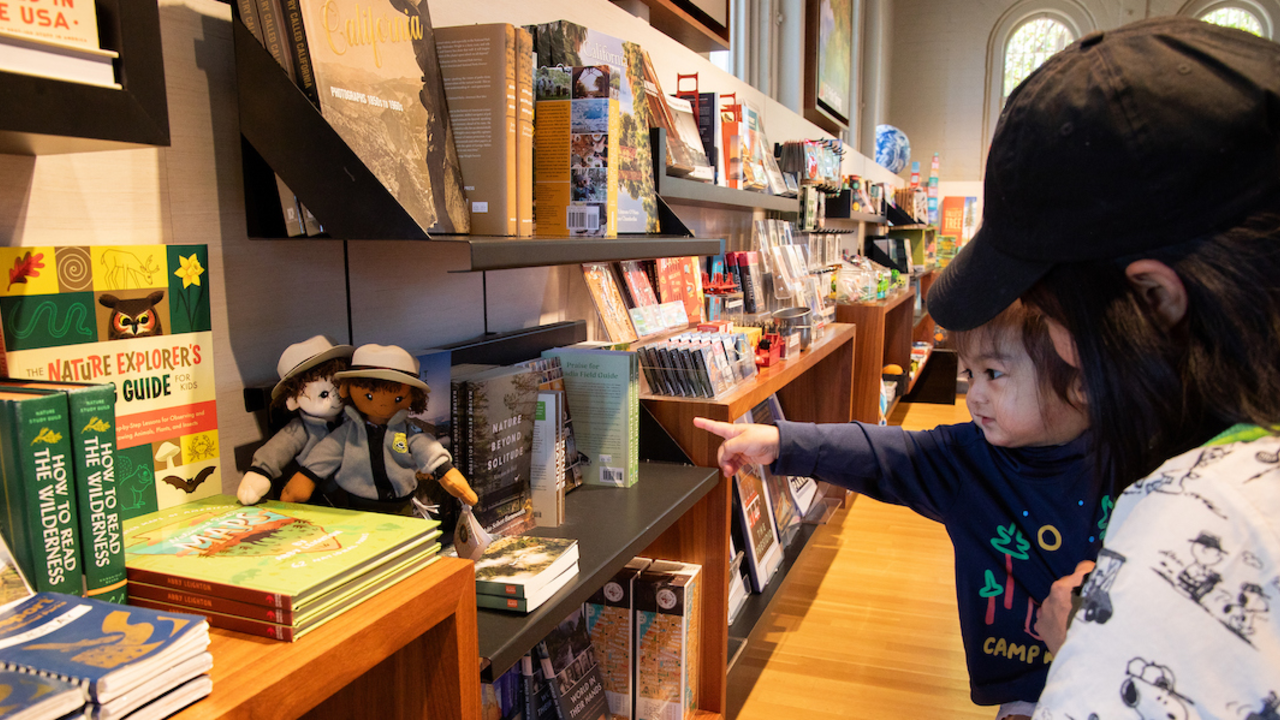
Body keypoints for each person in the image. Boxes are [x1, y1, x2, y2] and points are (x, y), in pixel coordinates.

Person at [922, 16, 1280, 719]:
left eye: (1054, 318)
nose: (1059, 352)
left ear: (1151, 298)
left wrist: (1077, 645)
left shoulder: (1198, 525)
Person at [695, 301, 1113, 719]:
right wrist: (782, 443)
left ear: (1078, 376)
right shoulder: (969, 459)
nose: (975, 395)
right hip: (1026, 693)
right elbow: (886, 454)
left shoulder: (1141, 462)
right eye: (970, 373)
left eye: (994, 374)